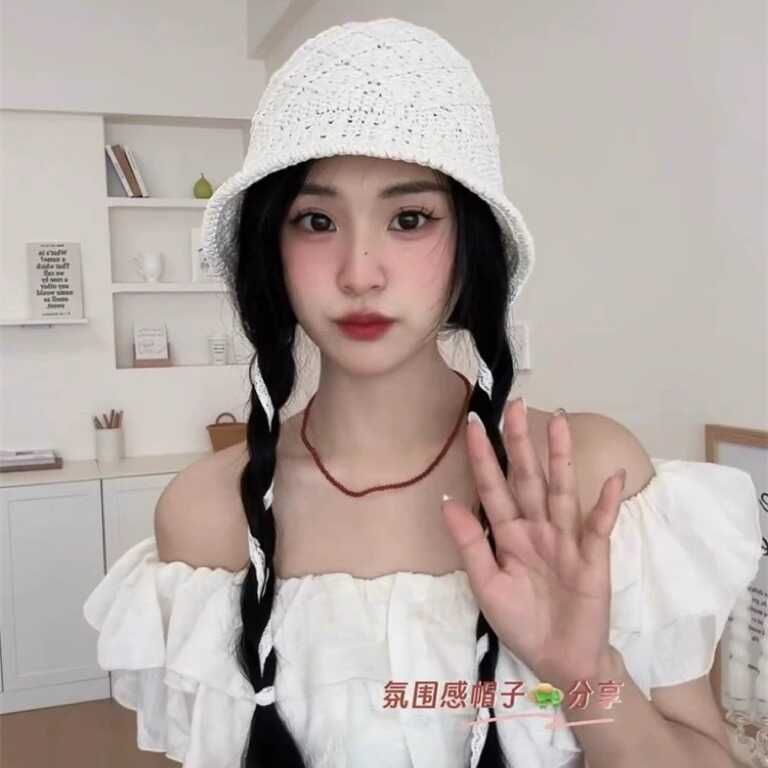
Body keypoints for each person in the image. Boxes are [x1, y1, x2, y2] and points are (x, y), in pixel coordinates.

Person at [83, 17, 761, 768]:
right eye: (316, 220)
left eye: (409, 219)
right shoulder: (206, 519)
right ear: (273, 249)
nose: (359, 272)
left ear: (469, 244)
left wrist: (582, 675)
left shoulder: (586, 480)